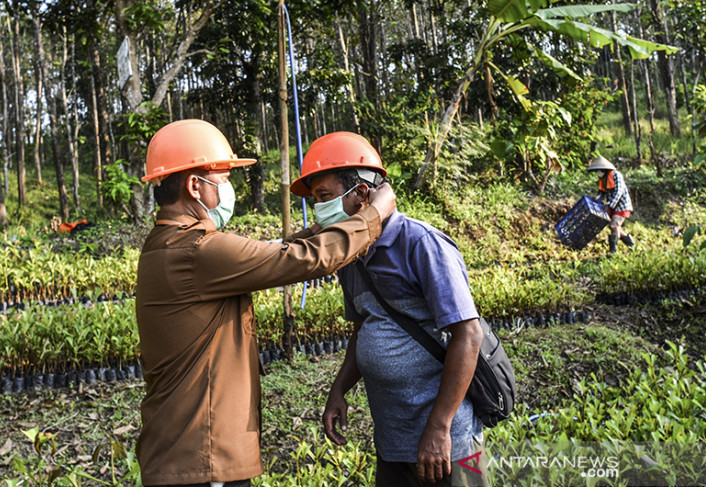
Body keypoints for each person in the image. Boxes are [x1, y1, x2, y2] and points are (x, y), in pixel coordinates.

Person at [135, 119, 396, 487]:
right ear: (195, 186)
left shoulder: (164, 244)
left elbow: (274, 253)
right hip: (202, 455)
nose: (228, 190)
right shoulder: (198, 251)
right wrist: (373, 214)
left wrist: (325, 226)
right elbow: (300, 260)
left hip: (182, 449)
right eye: (223, 179)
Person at [290, 132, 487, 487]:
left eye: (324, 197)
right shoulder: (350, 255)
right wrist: (340, 390)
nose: (319, 210)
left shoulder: (421, 244)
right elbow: (362, 328)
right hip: (393, 440)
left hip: (448, 442)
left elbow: (468, 335)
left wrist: (439, 427)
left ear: (362, 195)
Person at [587, 155, 635, 253]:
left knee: (614, 226)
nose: (597, 173)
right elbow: (601, 193)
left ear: (603, 169)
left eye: (598, 170)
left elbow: (619, 192)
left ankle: (613, 251)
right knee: (615, 227)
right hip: (613, 206)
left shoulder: (616, 175)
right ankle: (631, 244)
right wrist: (596, 199)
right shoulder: (603, 179)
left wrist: (609, 205)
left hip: (622, 205)